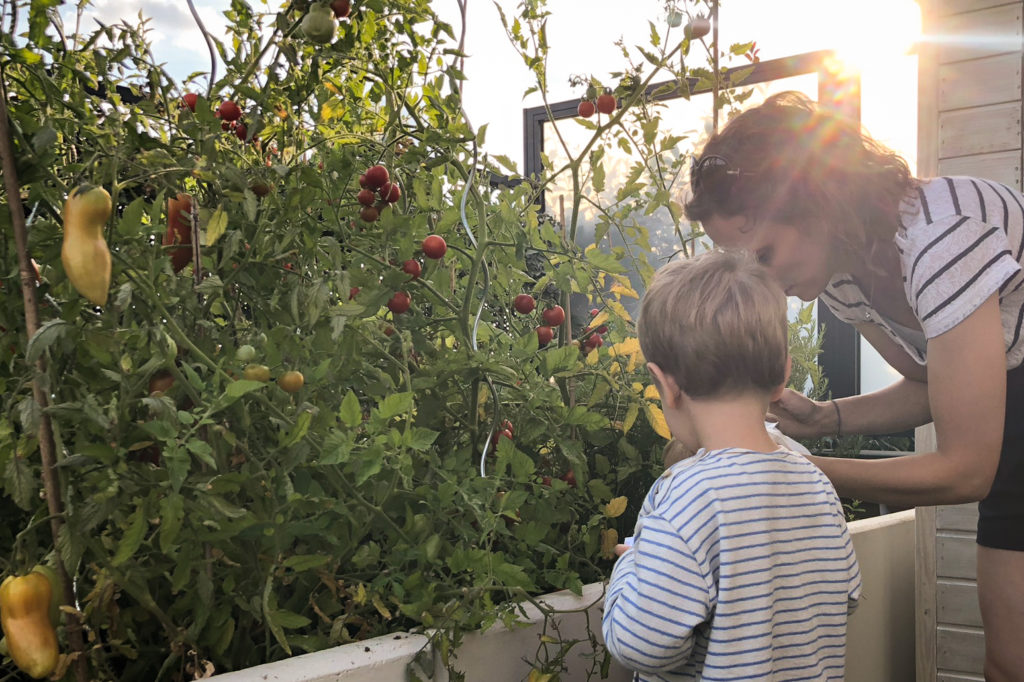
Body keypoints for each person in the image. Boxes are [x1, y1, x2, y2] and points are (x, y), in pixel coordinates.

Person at [684, 90, 1024, 681]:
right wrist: (825, 418)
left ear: (812, 199)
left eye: (762, 254)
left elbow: (967, 468)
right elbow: (929, 384)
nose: (759, 282)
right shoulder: (842, 277)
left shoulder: (941, 239)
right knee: (1010, 662)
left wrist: (790, 468)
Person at [602, 249, 861, 681]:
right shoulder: (816, 483)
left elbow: (641, 644)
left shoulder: (685, 496)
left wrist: (633, 564)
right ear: (782, 375)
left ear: (665, 385)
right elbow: (845, 597)